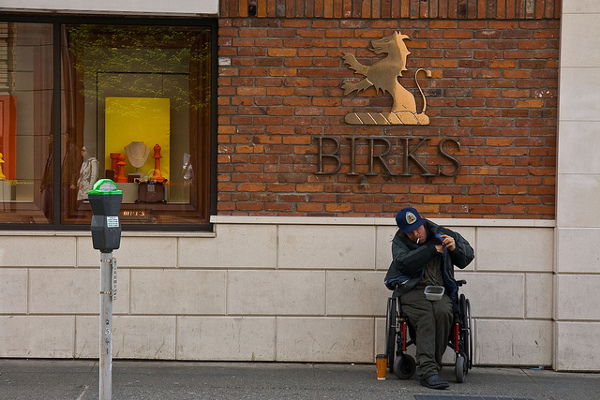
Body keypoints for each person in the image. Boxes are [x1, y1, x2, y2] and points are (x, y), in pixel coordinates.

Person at [385, 207, 474, 390]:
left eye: (418, 228)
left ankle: (433, 366)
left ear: (423, 222)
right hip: (413, 291)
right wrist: (431, 250)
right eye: (410, 232)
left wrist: (455, 248)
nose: (416, 233)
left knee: (443, 312)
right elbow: (404, 264)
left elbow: (467, 257)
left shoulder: (444, 233)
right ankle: (427, 372)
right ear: (404, 232)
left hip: (440, 290)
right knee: (426, 315)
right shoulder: (399, 242)